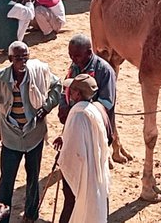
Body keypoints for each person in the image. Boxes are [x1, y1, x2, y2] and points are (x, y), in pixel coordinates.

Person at [0, 41, 61, 223]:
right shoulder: (0, 78)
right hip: (10, 137)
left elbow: (57, 86)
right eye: (18, 58)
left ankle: (30, 215)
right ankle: (0, 218)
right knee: (6, 180)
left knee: (33, 178)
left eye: (25, 57)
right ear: (10, 59)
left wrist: (46, 107)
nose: (22, 62)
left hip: (34, 134)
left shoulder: (38, 72)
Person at [55, 73, 112, 223]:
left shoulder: (78, 115)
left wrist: (62, 156)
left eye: (72, 90)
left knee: (72, 207)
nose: (70, 93)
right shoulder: (97, 109)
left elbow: (76, 153)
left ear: (78, 94)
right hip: (96, 170)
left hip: (82, 173)